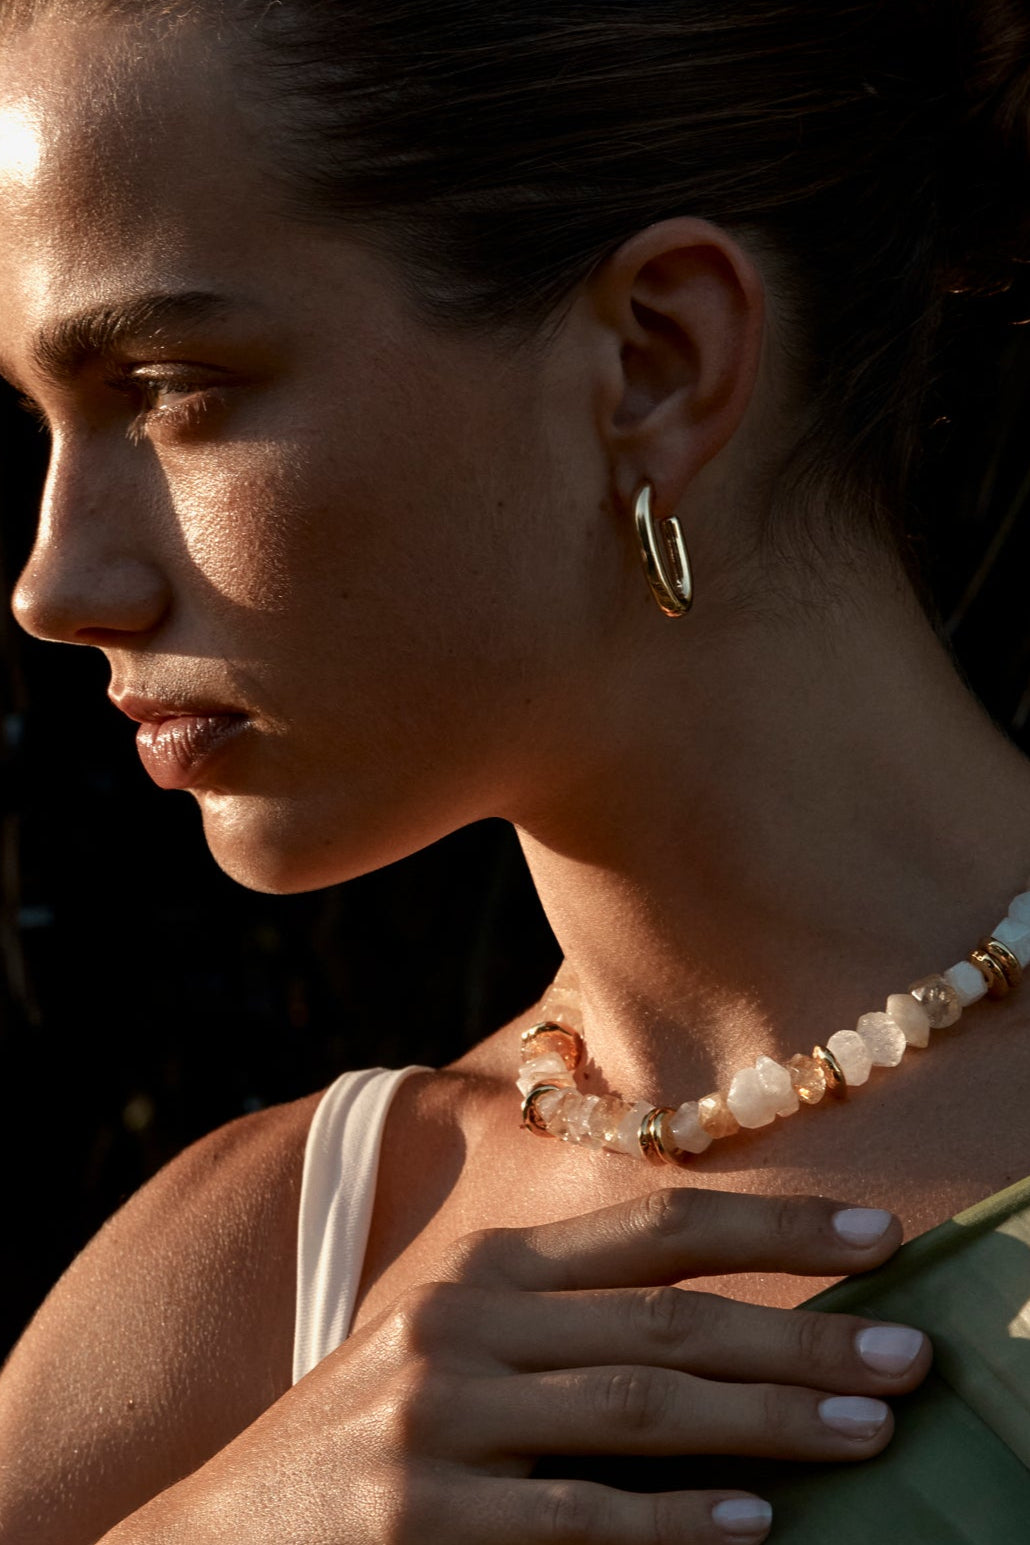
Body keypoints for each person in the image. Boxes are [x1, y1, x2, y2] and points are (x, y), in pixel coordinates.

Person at [0, 0, 1028, 1540]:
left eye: (168, 382)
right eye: (44, 419)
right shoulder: (253, 1278)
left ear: (654, 363)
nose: (55, 583)